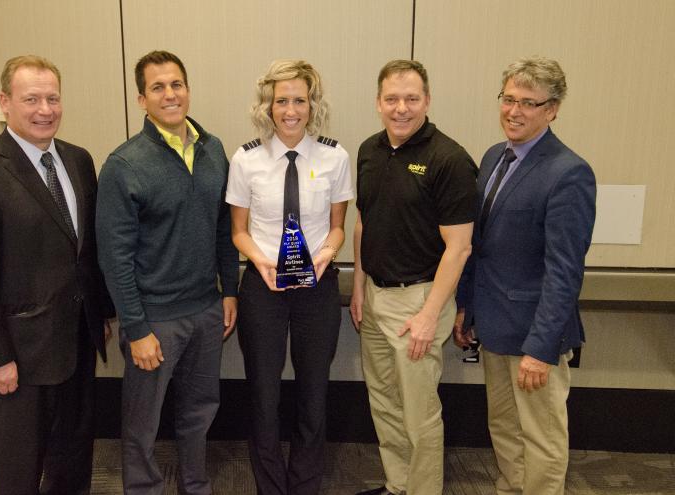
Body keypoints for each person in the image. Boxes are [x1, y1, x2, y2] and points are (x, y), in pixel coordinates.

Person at [0, 54, 114, 495]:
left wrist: (104, 313)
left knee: (73, 455)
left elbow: (86, 250)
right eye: (31, 99)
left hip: (77, 340)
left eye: (53, 98)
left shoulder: (78, 160)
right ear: (4, 102)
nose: (45, 109)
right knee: (19, 467)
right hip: (19, 355)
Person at [95, 50, 239, 495]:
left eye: (176, 84)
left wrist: (229, 292)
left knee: (200, 411)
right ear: (141, 100)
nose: (170, 94)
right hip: (153, 318)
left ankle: (195, 485)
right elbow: (113, 256)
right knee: (143, 422)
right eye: (157, 87)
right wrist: (136, 328)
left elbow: (223, 229)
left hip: (206, 310)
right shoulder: (124, 165)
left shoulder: (213, 150)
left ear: (188, 91)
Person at [454, 56, 596, 495]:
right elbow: (481, 244)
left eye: (529, 103)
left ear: (553, 109)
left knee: (542, 436)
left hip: (535, 337)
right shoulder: (495, 155)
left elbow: (564, 272)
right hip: (494, 325)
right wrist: (467, 308)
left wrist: (541, 348)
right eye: (509, 99)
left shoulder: (568, 172)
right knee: (505, 428)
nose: (514, 111)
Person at [349, 60, 478, 495]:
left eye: (411, 98)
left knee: (419, 413)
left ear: (427, 100)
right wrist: (359, 287)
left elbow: (459, 248)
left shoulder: (449, 159)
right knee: (384, 403)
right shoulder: (369, 150)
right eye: (391, 99)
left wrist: (429, 314)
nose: (401, 108)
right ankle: (397, 485)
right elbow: (364, 223)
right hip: (376, 296)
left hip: (419, 302)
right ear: (378, 102)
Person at [225, 59, 353, 495]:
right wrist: (261, 262)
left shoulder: (336, 157)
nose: (291, 109)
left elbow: (338, 226)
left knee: (313, 394)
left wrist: (328, 253)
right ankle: (269, 486)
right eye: (282, 100)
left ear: (312, 104)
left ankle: (304, 486)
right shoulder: (246, 160)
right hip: (263, 289)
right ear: (268, 105)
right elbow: (238, 232)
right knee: (264, 396)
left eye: (300, 99)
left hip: (317, 290)